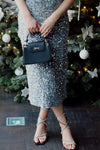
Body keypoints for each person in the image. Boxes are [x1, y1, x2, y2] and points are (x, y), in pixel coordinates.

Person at [15, 0, 76, 149]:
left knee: (55, 75)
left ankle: (41, 120)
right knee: (45, 77)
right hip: (31, 22)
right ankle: (64, 125)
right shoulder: (28, 18)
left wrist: (53, 18)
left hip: (57, 22)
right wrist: (27, 16)